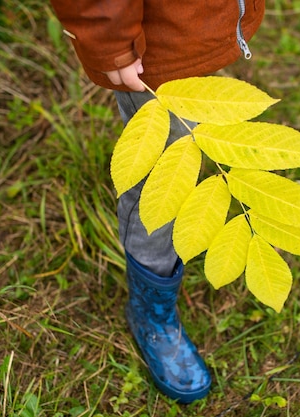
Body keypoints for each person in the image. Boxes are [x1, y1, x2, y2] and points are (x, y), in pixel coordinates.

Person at [49, 0, 265, 403]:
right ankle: (151, 312)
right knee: (161, 176)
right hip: (151, 50)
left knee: (187, 145)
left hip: (198, 27)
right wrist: (108, 40)